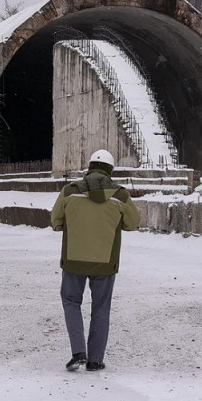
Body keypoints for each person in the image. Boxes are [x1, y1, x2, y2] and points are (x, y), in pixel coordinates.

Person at [50, 149, 140, 372]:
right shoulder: (120, 195)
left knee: (71, 301)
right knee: (101, 308)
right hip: (105, 261)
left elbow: (55, 221)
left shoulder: (69, 191)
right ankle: (95, 360)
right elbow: (133, 223)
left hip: (73, 259)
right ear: (110, 171)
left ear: (89, 167)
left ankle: (78, 351)